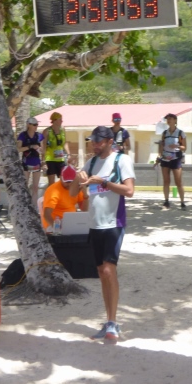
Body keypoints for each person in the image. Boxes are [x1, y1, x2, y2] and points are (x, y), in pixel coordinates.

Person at [70, 126, 135, 343]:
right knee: (100, 271)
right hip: (94, 224)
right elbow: (73, 193)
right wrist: (78, 178)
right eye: (92, 141)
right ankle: (109, 321)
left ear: (109, 141)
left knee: (108, 270)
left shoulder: (121, 160)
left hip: (114, 223)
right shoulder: (91, 163)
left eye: (98, 141)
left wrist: (104, 182)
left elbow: (130, 191)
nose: (94, 145)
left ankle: (113, 322)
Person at [41, 165, 88, 231]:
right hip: (54, 224)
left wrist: (85, 195)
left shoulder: (76, 187)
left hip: (71, 223)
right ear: (60, 177)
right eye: (66, 181)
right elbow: (47, 215)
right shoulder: (53, 191)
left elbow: (84, 210)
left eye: (71, 181)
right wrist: (58, 229)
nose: (69, 184)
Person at [158, 113, 187, 210]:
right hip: (165, 158)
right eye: (167, 119)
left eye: (170, 118)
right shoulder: (164, 133)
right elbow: (162, 145)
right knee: (166, 181)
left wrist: (177, 146)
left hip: (176, 158)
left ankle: (182, 202)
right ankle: (166, 201)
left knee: (178, 181)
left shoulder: (180, 133)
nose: (169, 120)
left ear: (175, 120)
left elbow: (184, 147)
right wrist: (159, 155)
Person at [16, 117, 44, 204]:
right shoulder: (22, 135)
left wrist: (40, 150)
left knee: (35, 187)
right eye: (34, 125)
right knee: (25, 186)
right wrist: (30, 146)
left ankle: (34, 206)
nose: (36, 126)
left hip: (36, 162)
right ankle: (25, 204)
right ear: (29, 125)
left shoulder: (39, 136)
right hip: (26, 162)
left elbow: (43, 150)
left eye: (37, 124)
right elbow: (18, 149)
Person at [41, 112, 71, 185]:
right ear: (54, 120)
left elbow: (65, 143)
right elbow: (43, 146)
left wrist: (69, 154)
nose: (61, 121)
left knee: (64, 181)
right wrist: (43, 161)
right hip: (50, 159)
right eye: (60, 119)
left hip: (60, 159)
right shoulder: (47, 131)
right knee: (51, 183)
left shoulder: (62, 129)